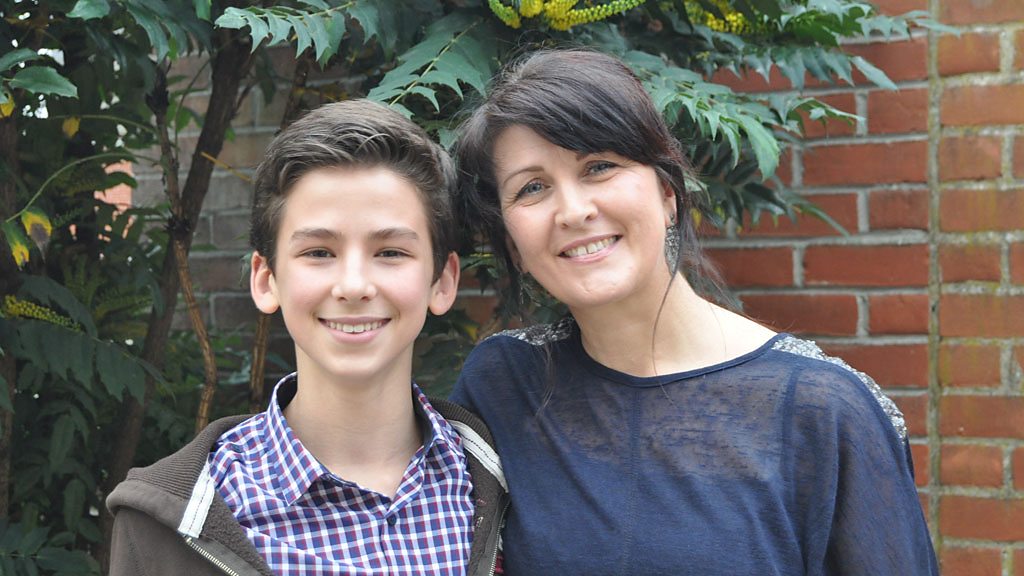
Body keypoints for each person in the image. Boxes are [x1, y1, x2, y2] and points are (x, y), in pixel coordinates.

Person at [451, 49, 938, 575]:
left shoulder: (822, 412)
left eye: (599, 167)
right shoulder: (504, 386)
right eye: (532, 188)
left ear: (667, 193)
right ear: (513, 244)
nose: (573, 211)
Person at [106, 100, 507, 576]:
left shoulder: (500, 478)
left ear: (442, 281)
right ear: (266, 280)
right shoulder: (164, 525)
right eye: (319, 252)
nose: (354, 286)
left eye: (390, 252)